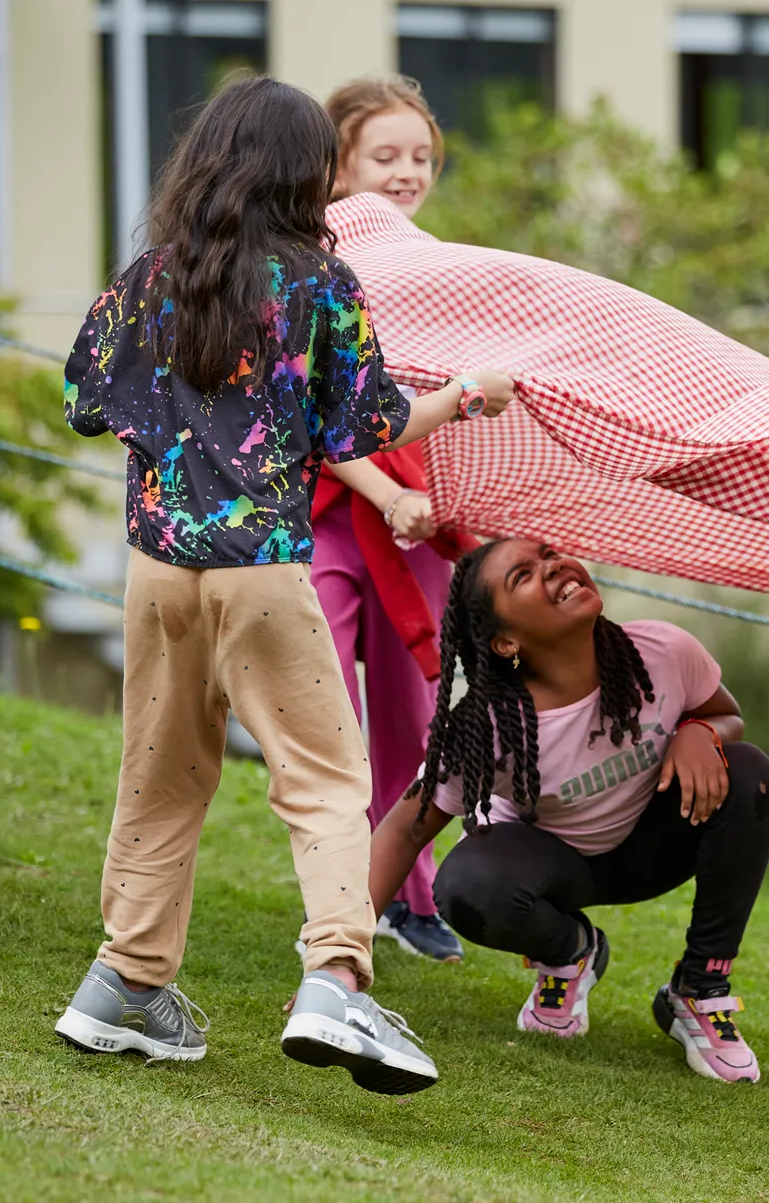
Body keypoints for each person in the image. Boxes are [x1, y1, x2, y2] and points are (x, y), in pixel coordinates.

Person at [51, 74, 514, 1095]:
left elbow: (85, 398)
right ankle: (337, 978)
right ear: (310, 173)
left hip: (155, 572)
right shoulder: (321, 284)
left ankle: (125, 983)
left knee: (158, 780)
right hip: (260, 569)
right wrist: (466, 396)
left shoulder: (152, 274)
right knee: (325, 779)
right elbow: (369, 427)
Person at [367, 539, 769, 1083]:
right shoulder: (487, 724)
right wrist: (340, 956)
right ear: (505, 642)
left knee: (750, 774)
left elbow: (727, 715)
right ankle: (570, 952)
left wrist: (701, 731)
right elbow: (404, 829)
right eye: (523, 576)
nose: (553, 567)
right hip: (554, 870)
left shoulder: (664, 650)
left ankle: (700, 989)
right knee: (468, 886)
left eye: (548, 554)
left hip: (651, 847)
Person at [310, 75, 468, 963]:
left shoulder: (442, 269)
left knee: (414, 716)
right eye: (386, 156)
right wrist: (386, 493)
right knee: (323, 708)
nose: (409, 172)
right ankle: (335, 898)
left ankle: (411, 897)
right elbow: (309, 413)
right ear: (338, 166)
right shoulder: (310, 265)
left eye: (422, 157)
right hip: (330, 511)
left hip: (419, 525)